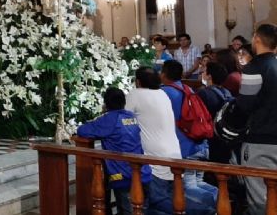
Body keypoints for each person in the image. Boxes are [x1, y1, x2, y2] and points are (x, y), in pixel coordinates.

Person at [77, 88, 152, 215]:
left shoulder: (109, 119)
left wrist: (103, 115)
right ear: (124, 102)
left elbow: (82, 130)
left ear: (106, 104)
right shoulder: (131, 116)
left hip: (124, 176)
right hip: (143, 173)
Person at [160, 60, 218, 210]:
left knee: (188, 187)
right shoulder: (188, 89)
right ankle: (219, 199)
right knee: (199, 183)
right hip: (200, 143)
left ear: (164, 74)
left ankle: (215, 207)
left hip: (185, 147)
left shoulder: (164, 93)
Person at [232, 23, 277, 214]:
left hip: (261, 142)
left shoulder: (255, 67)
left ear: (257, 39)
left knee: (261, 202)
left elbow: (245, 105)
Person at [125, 67, 182, 214]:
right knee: (174, 203)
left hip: (155, 159)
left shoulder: (136, 94)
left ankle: (206, 210)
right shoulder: (163, 94)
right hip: (174, 155)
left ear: (138, 82)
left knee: (157, 205)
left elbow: (122, 117)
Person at [197, 61, 234, 167]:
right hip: (224, 138)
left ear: (209, 76)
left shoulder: (203, 93)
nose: (202, 73)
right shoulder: (227, 93)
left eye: (204, 71)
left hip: (209, 138)